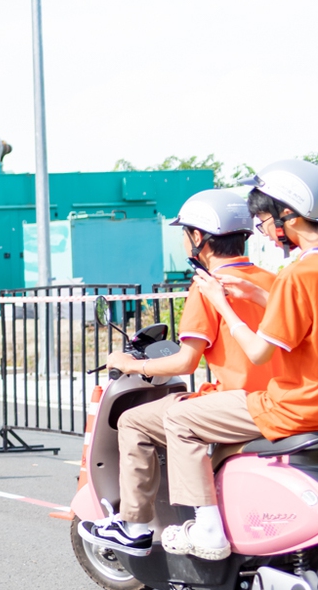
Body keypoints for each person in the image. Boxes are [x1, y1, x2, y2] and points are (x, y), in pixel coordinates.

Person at [79, 188, 274, 556]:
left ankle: (136, 525)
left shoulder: (207, 288)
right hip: (275, 397)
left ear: (198, 238)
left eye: (186, 233)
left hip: (242, 402)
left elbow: (185, 361)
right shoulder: (271, 281)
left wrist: (132, 364)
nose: (185, 240)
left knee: (135, 421)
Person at [159, 158, 318, 559]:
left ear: (288, 214)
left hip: (296, 404)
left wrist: (222, 305)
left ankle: (208, 530)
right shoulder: (295, 275)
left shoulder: (297, 274)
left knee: (178, 418)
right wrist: (263, 298)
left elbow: (258, 350)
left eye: (264, 219)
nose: (263, 231)